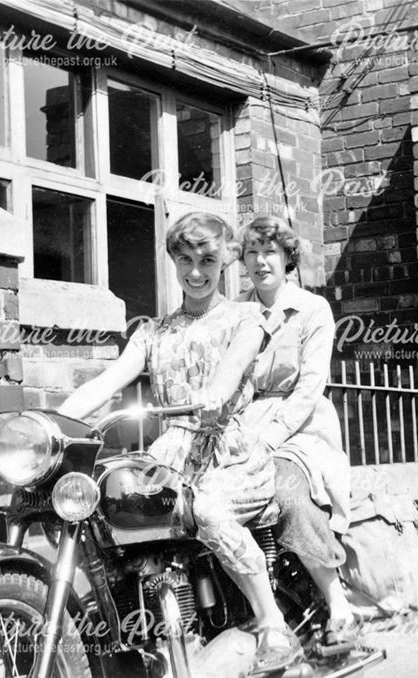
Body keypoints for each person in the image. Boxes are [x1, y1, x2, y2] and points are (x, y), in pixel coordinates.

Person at [58, 212, 301, 674]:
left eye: (207, 260)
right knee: (110, 512)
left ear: (225, 261)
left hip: (229, 454)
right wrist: (56, 421)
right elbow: (107, 382)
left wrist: (216, 394)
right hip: (173, 454)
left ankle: (272, 624)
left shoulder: (246, 318)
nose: (196, 271)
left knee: (206, 509)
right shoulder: (153, 332)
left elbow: (234, 365)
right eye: (185, 259)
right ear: (173, 260)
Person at [238, 215, 356, 644]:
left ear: (287, 257)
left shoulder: (312, 309)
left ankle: (336, 600)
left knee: (284, 489)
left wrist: (270, 437)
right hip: (245, 425)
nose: (260, 261)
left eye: (269, 251)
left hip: (301, 425)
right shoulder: (237, 311)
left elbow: (309, 388)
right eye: (251, 252)